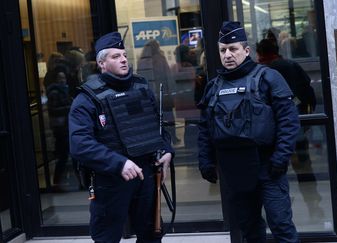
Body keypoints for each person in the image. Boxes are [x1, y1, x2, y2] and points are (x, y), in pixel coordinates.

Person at [198, 21, 300, 243]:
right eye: (223, 50)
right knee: (249, 229)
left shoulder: (268, 78)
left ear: (246, 51)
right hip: (235, 169)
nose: (228, 55)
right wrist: (205, 161)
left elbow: (288, 122)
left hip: (268, 166)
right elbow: (205, 128)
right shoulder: (214, 86)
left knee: (281, 225)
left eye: (233, 49)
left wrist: (281, 158)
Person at [69, 32, 174, 243]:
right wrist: (119, 163)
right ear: (102, 63)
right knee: (107, 238)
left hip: (146, 174)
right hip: (110, 179)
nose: (124, 59)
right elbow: (80, 144)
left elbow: (159, 126)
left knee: (151, 235)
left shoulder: (142, 87)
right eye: (116, 57)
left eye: (124, 55)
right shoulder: (87, 99)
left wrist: (167, 150)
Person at [256, 38, 323, 219]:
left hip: (269, 135)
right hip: (294, 130)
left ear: (259, 53)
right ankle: (314, 206)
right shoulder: (291, 66)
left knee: (271, 177)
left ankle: (275, 216)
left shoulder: (258, 73)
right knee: (304, 169)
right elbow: (308, 94)